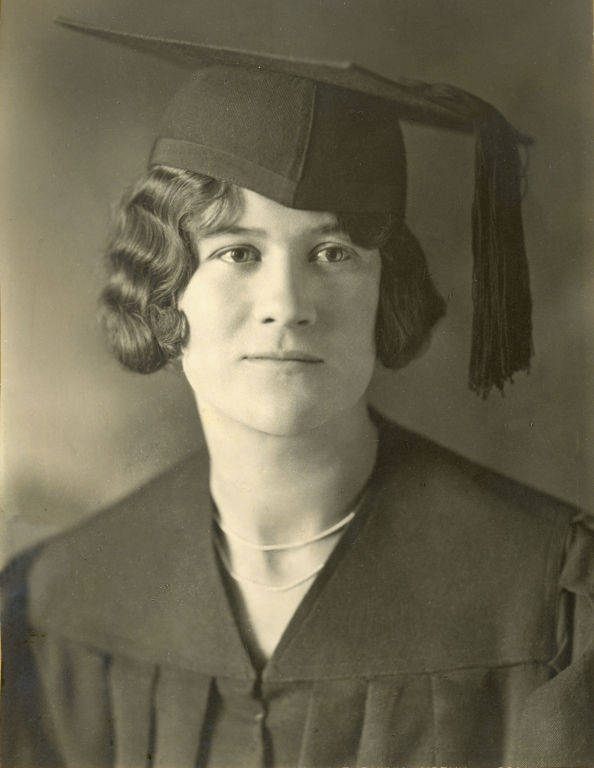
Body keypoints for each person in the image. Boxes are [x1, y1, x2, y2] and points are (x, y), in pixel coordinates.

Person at [1, 17, 592, 768]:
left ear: (386, 291)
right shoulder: (65, 601)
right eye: (237, 252)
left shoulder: (542, 597)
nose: (286, 303)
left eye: (334, 252)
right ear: (163, 290)